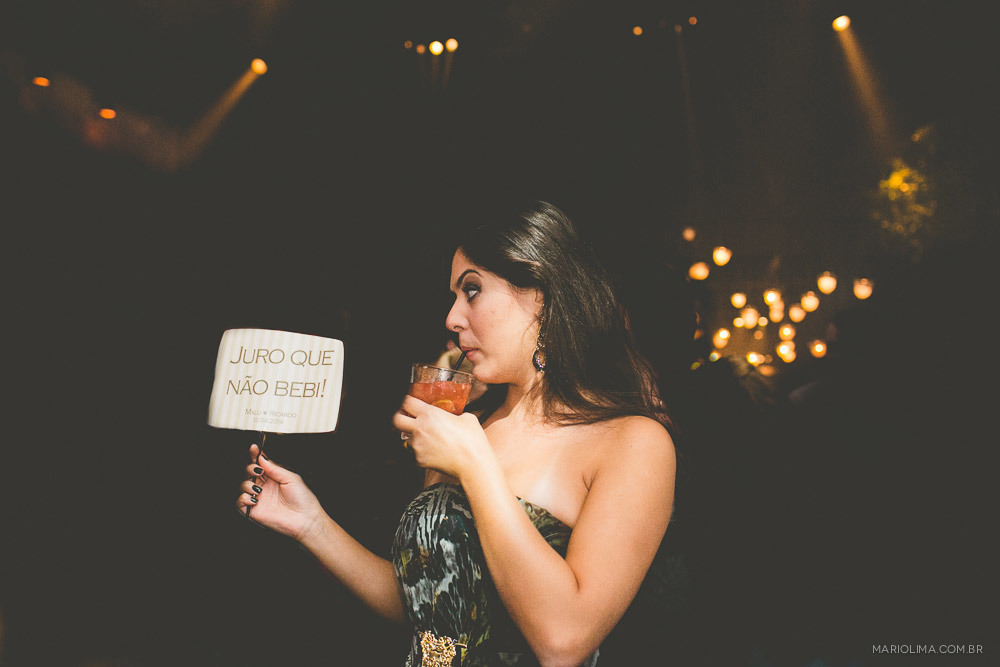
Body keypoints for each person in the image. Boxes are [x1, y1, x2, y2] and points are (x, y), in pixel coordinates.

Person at [236, 201, 676, 667]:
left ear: (542, 297)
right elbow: (429, 610)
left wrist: (474, 464)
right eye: (453, 296)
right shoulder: (469, 428)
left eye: (471, 291)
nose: (451, 317)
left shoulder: (633, 442)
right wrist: (312, 525)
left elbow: (564, 640)